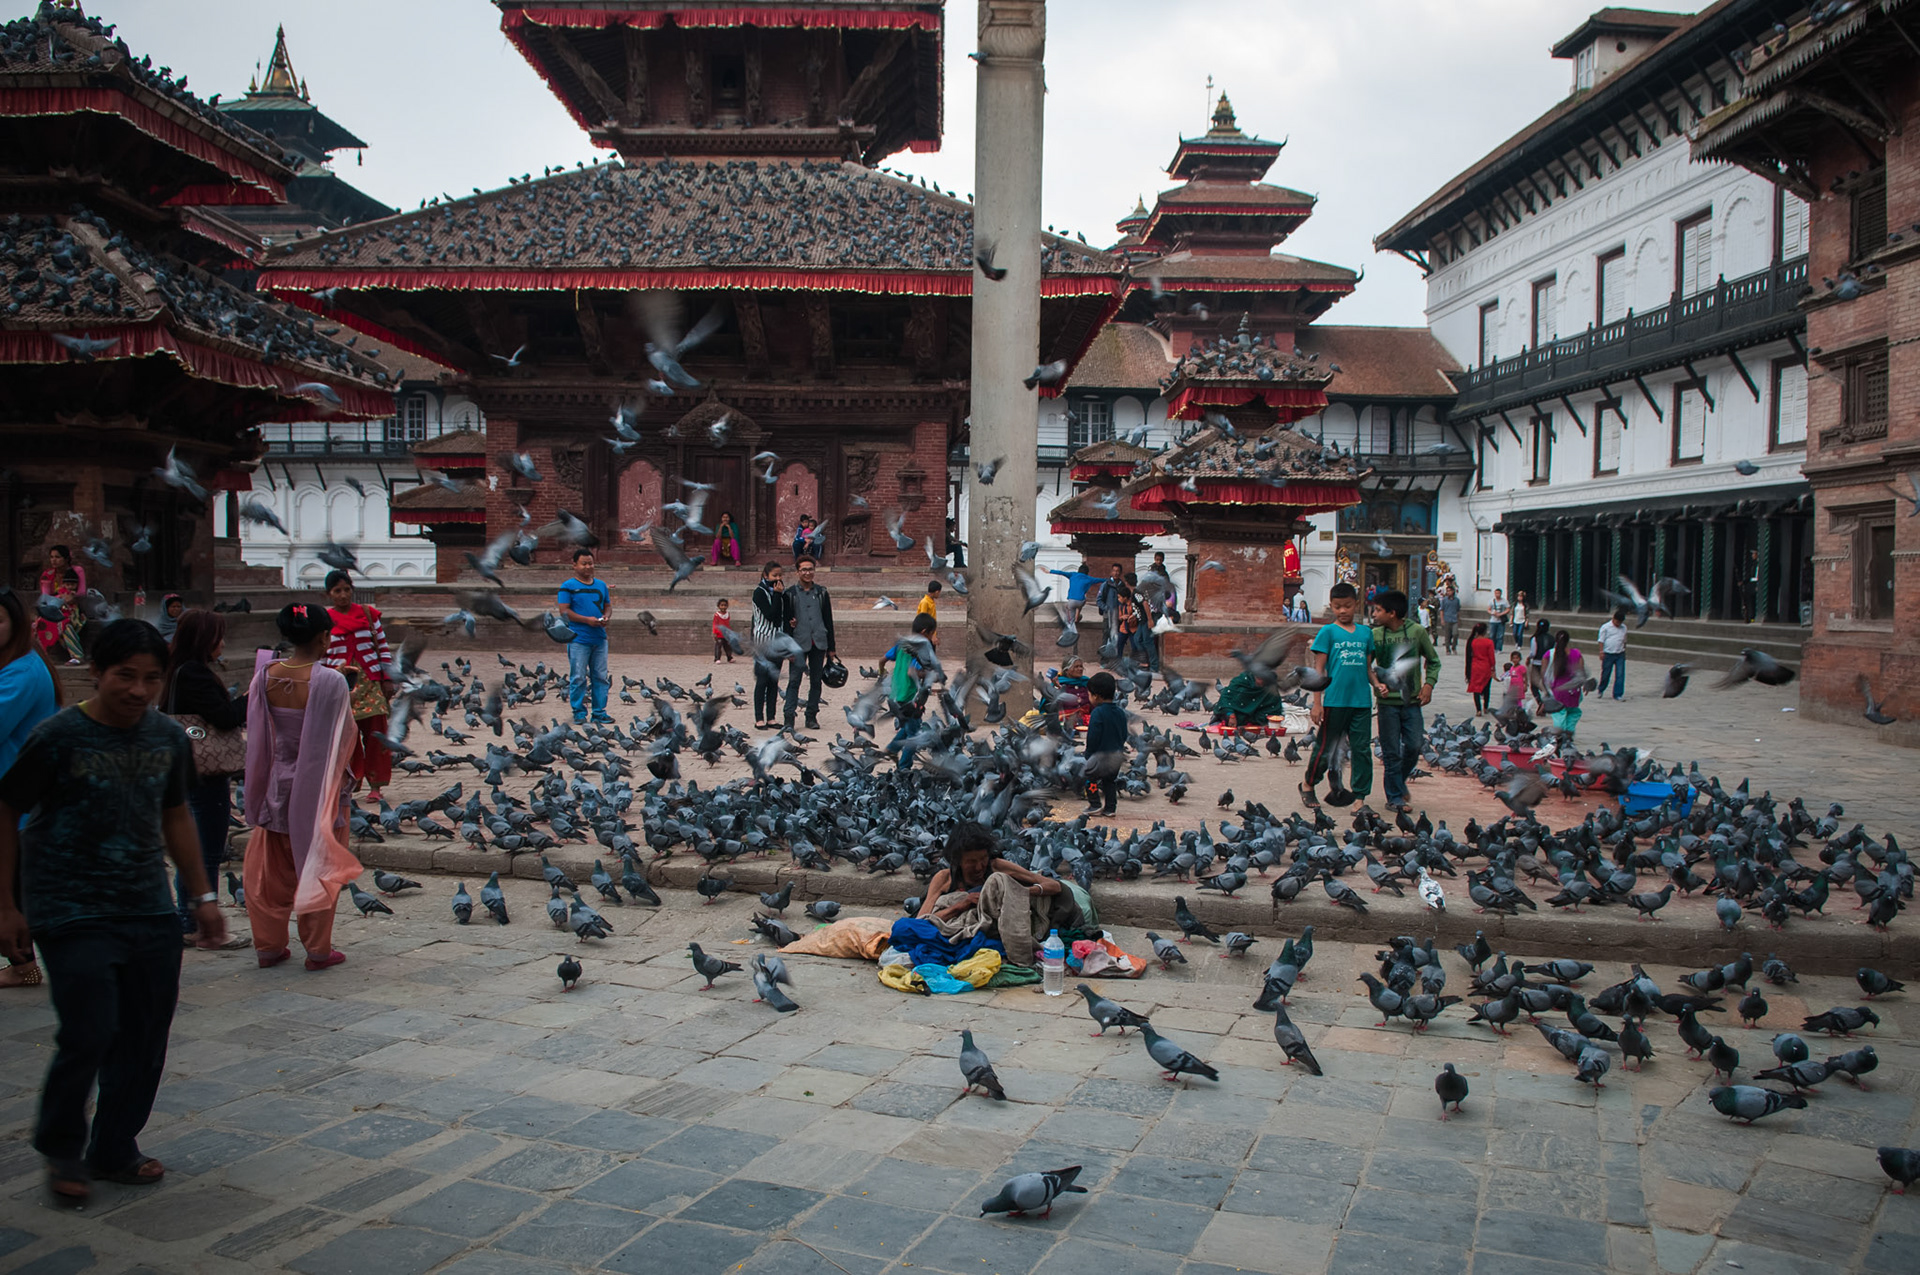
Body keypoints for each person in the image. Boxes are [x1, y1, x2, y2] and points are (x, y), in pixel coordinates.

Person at [0, 618, 226, 1207]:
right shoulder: (58, 737)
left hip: (146, 904)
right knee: (90, 1029)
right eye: (125, 676)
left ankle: (114, 1144)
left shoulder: (167, 738)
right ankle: (61, 1146)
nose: (138, 690)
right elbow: (6, 811)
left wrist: (202, 897)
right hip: (68, 906)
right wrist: (5, 905)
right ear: (96, 673)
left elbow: (176, 815)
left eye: (151, 678)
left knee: (146, 1034)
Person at [241, 604, 359, 973]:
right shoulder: (331, 681)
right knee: (319, 866)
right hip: (320, 788)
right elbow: (341, 736)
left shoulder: (264, 676)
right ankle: (318, 949)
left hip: (276, 783)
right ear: (324, 636)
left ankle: (269, 945)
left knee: (269, 875)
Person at [164, 609, 247, 939]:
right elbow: (224, 717)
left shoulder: (177, 670)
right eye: (218, 637)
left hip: (187, 766)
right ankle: (195, 924)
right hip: (205, 770)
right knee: (207, 852)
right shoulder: (194, 674)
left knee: (195, 849)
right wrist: (251, 697)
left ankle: (187, 920)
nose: (222, 644)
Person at [0, 588, 60, 990]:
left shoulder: (21, 673)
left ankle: (24, 966)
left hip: (18, 802)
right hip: (17, 800)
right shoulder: (15, 665)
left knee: (15, 891)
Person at [915, 821, 1076, 968]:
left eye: (983, 858)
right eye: (971, 862)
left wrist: (1016, 892)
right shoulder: (944, 878)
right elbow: (921, 922)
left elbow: (1054, 886)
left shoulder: (997, 867)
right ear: (957, 861)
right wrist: (963, 904)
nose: (979, 867)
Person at [1300, 582, 1374, 809]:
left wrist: (1379, 685)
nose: (1343, 611)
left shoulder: (1366, 633)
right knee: (1325, 748)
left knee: (1362, 750)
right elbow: (1319, 671)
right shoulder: (1328, 632)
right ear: (1331, 606)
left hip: (1361, 701)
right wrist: (1317, 704)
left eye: (1348, 606)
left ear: (1356, 605)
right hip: (1335, 701)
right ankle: (1308, 784)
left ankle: (1359, 797)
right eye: (1338, 606)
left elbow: (1368, 669)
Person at [323, 571, 394, 799]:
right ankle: (351, 780)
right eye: (337, 591)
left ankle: (376, 786)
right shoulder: (324, 620)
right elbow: (321, 654)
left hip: (370, 681)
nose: (343, 595)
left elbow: (382, 647)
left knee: (376, 734)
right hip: (339, 684)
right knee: (346, 736)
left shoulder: (368, 615)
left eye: (347, 589)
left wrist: (387, 678)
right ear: (328, 594)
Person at [1369, 589, 1440, 815]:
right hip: (1387, 703)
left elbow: (1433, 661)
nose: (1374, 614)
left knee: (1415, 745)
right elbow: (1367, 665)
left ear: (1392, 613)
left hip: (1412, 701)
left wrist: (1428, 685)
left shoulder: (1417, 632)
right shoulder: (1375, 635)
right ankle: (1395, 797)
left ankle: (1398, 783)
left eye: (1378, 610)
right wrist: (1376, 684)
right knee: (1391, 752)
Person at [557, 548, 612, 725]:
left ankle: (599, 712)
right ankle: (579, 713)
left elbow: (607, 606)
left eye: (591, 563)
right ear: (574, 565)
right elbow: (564, 611)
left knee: (601, 677)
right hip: (578, 638)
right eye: (584, 563)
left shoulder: (601, 585)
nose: (588, 567)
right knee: (578, 677)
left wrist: (606, 617)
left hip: (599, 638)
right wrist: (586, 620)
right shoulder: (567, 586)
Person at [880, 613, 939, 771]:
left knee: (909, 727)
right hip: (909, 697)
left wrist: (881, 673)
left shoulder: (901, 644)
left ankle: (892, 749)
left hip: (895, 694)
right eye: (931, 634)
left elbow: (882, 660)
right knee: (915, 734)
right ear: (924, 632)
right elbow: (912, 671)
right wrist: (930, 675)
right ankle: (904, 767)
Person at [783, 555, 836, 730]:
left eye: (810, 569)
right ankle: (789, 717)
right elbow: (786, 623)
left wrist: (831, 647)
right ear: (797, 572)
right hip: (797, 643)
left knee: (816, 681)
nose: (807, 573)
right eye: (804, 570)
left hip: (818, 641)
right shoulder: (790, 594)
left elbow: (828, 619)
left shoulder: (821, 593)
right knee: (794, 681)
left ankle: (811, 716)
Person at [750, 562, 788, 730]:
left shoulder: (782, 592)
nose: (777, 579)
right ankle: (759, 718)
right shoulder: (759, 592)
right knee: (762, 680)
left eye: (780, 575)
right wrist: (778, 595)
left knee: (773, 681)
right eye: (774, 575)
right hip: (763, 641)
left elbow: (783, 615)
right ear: (766, 576)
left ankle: (771, 717)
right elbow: (771, 615)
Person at [1083, 672, 1127, 817]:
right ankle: (1110, 808)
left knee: (1090, 778)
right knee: (1110, 782)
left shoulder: (1098, 713)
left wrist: (1089, 753)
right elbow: (1124, 733)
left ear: (1096, 696)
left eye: (1089, 694)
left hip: (1099, 756)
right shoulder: (1120, 712)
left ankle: (1095, 804)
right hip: (1116, 756)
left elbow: (1093, 735)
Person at [35, 544, 87, 665]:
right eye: (52, 557)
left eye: (57, 557)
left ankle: (77, 656)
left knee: (65, 624)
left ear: (66, 558)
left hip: (73, 609)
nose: (54, 560)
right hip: (55, 609)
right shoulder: (48, 574)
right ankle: (40, 656)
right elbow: (46, 596)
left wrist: (69, 597)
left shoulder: (77, 571)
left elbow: (81, 592)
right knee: (38, 623)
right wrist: (60, 598)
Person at [1546, 630, 1588, 738]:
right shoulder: (1576, 653)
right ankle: (1569, 734)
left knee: (1559, 714)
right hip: (1573, 691)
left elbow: (1545, 673)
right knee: (1573, 712)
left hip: (1558, 690)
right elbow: (1581, 673)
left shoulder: (1550, 654)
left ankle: (1559, 736)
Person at [1596, 608, 1629, 701]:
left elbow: (1624, 639)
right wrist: (1601, 651)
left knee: (1620, 674)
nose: (1618, 624)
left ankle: (1618, 693)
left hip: (1620, 653)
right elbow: (1601, 640)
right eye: (1617, 622)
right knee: (1606, 674)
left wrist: (1624, 649)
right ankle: (1601, 688)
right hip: (1608, 653)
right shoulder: (1605, 627)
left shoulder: (1624, 628)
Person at [1465, 621, 1496, 716]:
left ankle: (1478, 710)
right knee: (1486, 687)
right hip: (1486, 666)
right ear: (1485, 631)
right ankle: (1485, 707)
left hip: (1475, 667)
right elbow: (1491, 657)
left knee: (1476, 689)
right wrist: (1493, 667)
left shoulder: (1472, 641)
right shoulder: (1489, 642)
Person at [1440, 585, 1461, 655]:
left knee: (1455, 634)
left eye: (1449, 591)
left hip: (1454, 619)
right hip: (1447, 619)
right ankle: (1447, 649)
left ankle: (1454, 647)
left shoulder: (1457, 600)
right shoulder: (1444, 600)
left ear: (1453, 591)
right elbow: (1442, 610)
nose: (1448, 592)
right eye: (1447, 591)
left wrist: (1459, 619)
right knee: (1447, 635)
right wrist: (1442, 619)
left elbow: (1458, 610)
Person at [711, 599, 734, 663]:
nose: (723, 607)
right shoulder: (717, 615)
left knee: (728, 647)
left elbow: (727, 624)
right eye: (722, 605)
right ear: (718, 606)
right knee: (718, 646)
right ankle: (717, 658)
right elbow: (715, 624)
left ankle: (729, 658)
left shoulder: (728, 614)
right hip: (719, 634)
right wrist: (714, 632)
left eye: (725, 605)